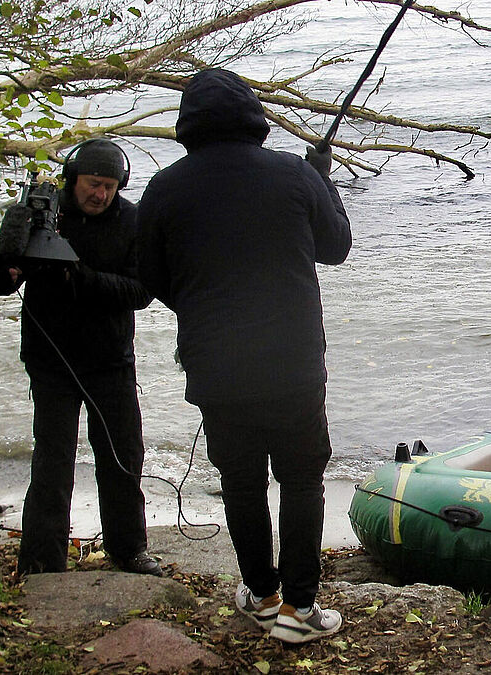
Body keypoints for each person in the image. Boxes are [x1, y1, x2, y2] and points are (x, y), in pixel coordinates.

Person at [137, 69, 352, 643]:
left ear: (188, 123)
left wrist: (201, 305)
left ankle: (261, 596)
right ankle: (300, 611)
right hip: (293, 362)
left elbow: (150, 276)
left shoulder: (165, 188)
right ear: (253, 115)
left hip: (216, 365)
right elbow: (336, 247)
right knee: (303, 479)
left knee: (241, 480)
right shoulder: (294, 173)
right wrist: (323, 183)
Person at [0, 139, 161, 577]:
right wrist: (9, 266)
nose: (100, 194)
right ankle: (42, 561)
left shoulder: (132, 220)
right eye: (93, 184)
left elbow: (142, 291)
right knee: (52, 463)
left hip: (110, 361)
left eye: (110, 187)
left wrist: (80, 277)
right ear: (71, 179)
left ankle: (128, 550)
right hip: (50, 360)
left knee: (122, 459)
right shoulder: (41, 212)